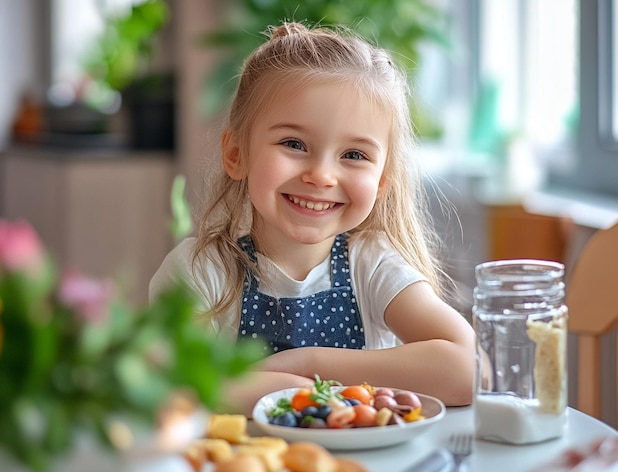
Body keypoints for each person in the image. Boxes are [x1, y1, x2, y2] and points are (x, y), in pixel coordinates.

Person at [150, 21, 475, 416]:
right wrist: (290, 390)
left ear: (382, 179)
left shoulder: (372, 263)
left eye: (354, 155)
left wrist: (307, 365)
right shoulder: (200, 271)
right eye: (294, 144)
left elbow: (468, 371)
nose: (321, 176)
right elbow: (170, 391)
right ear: (237, 153)